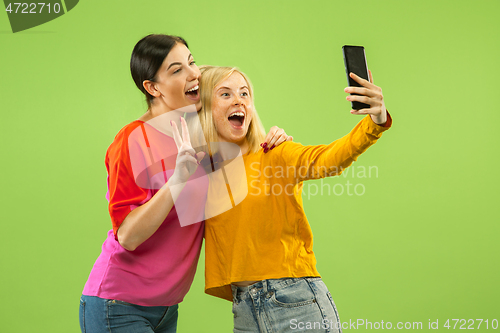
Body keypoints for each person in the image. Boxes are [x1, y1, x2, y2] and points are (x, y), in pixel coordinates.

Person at [79, 34, 291, 333]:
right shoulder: (133, 140)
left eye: (191, 62)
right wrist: (177, 180)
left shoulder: (202, 134)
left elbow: (241, 172)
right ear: (153, 88)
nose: (193, 73)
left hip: (167, 308)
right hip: (118, 305)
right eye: (176, 69)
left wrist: (273, 142)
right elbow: (127, 235)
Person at [192, 65, 392, 332]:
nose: (239, 100)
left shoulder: (274, 153)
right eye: (225, 94)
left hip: (295, 298)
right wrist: (192, 78)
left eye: (244, 93)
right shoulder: (202, 173)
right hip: (244, 310)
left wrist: (375, 122)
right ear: (204, 106)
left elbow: (328, 159)